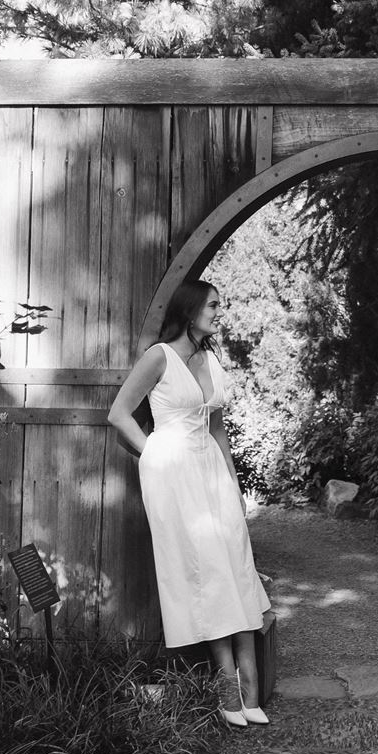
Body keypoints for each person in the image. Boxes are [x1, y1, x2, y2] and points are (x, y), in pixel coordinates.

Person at [108, 281, 271, 729]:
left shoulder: (211, 360)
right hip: (174, 477)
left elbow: (218, 430)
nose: (220, 311)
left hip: (212, 473)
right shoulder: (159, 356)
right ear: (191, 309)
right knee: (205, 571)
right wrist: (155, 455)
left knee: (234, 564)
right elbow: (118, 414)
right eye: (214, 304)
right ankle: (228, 695)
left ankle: (250, 694)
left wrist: (236, 488)